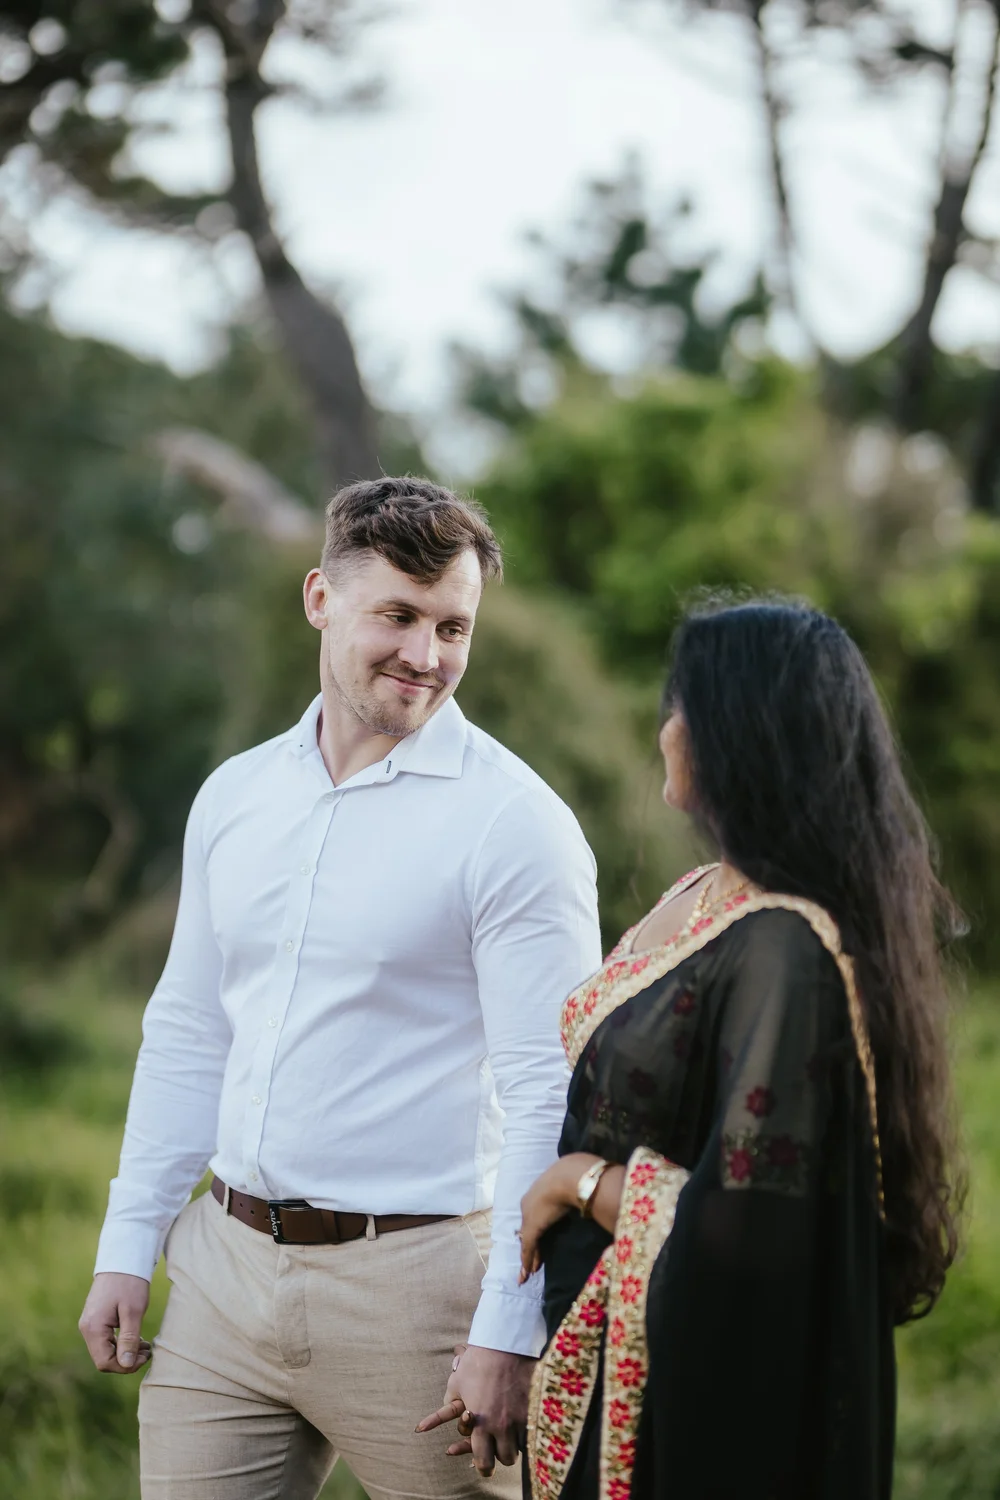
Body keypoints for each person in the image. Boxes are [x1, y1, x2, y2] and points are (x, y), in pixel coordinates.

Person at [79, 477, 603, 1500]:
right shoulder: (235, 794)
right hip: (223, 1278)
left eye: (453, 627)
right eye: (397, 616)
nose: (426, 654)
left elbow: (550, 1089)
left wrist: (509, 1326)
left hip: (419, 1293)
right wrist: (128, 1244)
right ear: (321, 600)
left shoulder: (516, 825)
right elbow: (189, 1030)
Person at [505, 596, 963, 1500]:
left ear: (735, 731)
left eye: (680, 704)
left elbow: (755, 1229)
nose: (665, 729)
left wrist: (580, 1182)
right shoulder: (703, 890)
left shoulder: (784, 944)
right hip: (590, 1356)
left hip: (672, 1405)